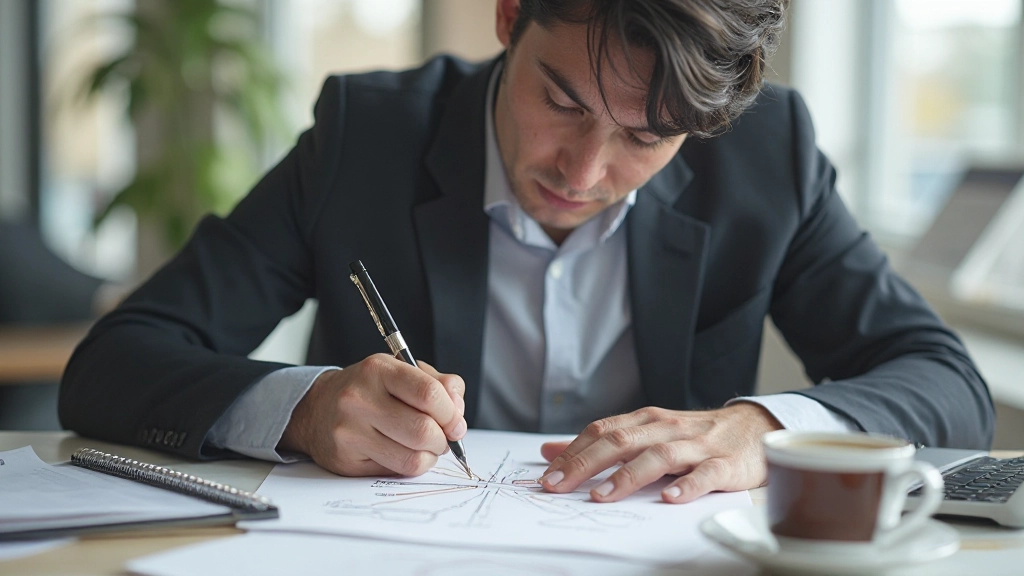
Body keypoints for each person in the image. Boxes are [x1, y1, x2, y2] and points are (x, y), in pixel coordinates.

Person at [59, 0, 994, 505]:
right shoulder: (366, 139)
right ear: (508, 17)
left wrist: (761, 427)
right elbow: (114, 365)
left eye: (648, 136)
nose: (585, 171)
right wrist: (303, 411)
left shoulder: (767, 154)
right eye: (563, 101)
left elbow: (947, 384)